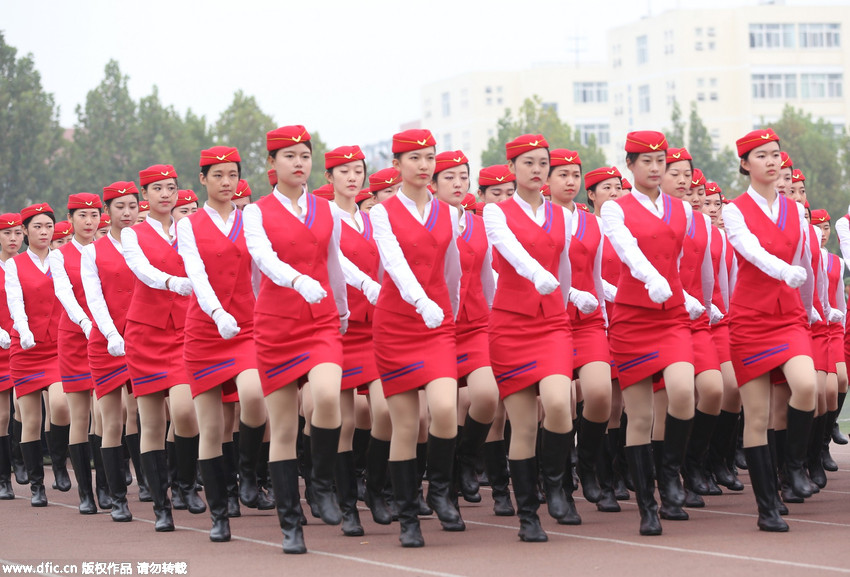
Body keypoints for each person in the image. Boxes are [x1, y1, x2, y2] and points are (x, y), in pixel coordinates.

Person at [243, 125, 349, 554]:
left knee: (326, 397)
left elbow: (335, 262)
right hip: (276, 326)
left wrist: (341, 309)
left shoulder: (327, 211)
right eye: (289, 156)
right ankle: (290, 524)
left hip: (321, 321)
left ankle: (320, 482)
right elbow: (262, 259)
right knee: (284, 427)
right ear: (272, 164)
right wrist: (295, 280)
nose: (299, 163)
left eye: (305, 155)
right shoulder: (255, 212)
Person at [483, 134, 594, 542]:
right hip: (511, 324)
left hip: (551, 323)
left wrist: (572, 292)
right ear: (512, 168)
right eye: (527, 163)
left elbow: (563, 265)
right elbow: (508, 249)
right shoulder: (496, 213)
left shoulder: (563, 215)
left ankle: (556, 483)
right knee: (524, 426)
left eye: (542, 163)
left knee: (559, 407)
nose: (536, 170)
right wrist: (535, 273)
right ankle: (527, 514)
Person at [369, 129, 463, 547]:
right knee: (407, 424)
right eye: (415, 159)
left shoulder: (449, 212)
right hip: (397, 324)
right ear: (397, 165)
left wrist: (449, 311)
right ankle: (408, 517)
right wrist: (419, 301)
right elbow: (393, 264)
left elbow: (453, 269)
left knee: (444, 409)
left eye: (429, 158)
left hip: (438, 324)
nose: (424, 166)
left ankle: (440, 490)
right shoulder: (383, 212)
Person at [600, 131, 696, 536]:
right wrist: (650, 278)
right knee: (639, 416)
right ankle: (646, 506)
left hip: (671, 315)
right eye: (647, 162)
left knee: (684, 393)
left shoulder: (682, 209)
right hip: (633, 317)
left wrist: (684, 294)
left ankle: (669, 474)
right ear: (630, 166)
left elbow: (678, 258)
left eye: (661, 161)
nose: (656, 169)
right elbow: (626, 250)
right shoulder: (614, 209)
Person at [723, 128, 817, 532]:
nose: (772, 161)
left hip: (789, 316)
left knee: (807, 387)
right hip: (750, 318)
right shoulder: (733, 209)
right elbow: (749, 250)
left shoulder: (795, 210)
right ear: (745, 164)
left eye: (776, 153)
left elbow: (804, 263)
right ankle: (766, 506)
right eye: (761, 155)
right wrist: (784, 271)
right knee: (757, 416)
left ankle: (793, 468)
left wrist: (813, 305)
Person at [177, 146, 272, 542]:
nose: (226, 182)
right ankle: (221, 512)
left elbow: (265, 263)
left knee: (254, 398)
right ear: (202, 179)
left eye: (232, 174)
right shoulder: (188, 224)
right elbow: (196, 274)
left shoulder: (250, 217)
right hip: (204, 330)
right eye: (217, 175)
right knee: (211, 429)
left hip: (247, 327)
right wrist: (218, 313)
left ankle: (248, 475)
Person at [122, 164, 206, 533]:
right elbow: (141, 270)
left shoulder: (190, 229)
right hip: (146, 334)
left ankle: (185, 483)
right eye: (158, 188)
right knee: (152, 423)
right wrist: (172, 281)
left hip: (186, 331)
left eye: (171, 187)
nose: (166, 194)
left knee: (186, 413)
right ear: (146, 196)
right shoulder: (133, 233)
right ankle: (161, 504)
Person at [323, 144, 391, 533]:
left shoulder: (374, 218)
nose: (353, 177)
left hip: (376, 327)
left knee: (385, 413)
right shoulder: (324, 216)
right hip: (338, 326)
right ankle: (347, 504)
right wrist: (366, 284)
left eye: (358, 170)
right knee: (343, 422)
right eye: (344, 170)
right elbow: (337, 260)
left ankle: (375, 488)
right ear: (329, 177)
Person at [547, 150, 615, 516]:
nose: (570, 182)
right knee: (558, 404)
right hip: (551, 319)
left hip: (589, 321)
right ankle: (558, 482)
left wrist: (603, 312)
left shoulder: (594, 223)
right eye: (562, 175)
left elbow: (600, 274)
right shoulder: (539, 219)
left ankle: (586, 465)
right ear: (548, 180)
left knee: (600, 395)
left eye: (575, 175)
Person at [431, 150, 499, 509]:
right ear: (433, 184)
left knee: (487, 396)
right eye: (449, 178)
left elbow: (487, 275)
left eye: (463, 176)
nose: (458, 184)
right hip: (435, 326)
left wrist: (492, 315)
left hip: (474, 324)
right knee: (439, 410)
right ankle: (440, 482)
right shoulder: (425, 223)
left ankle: (466, 460)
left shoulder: (476, 223)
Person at [655, 149, 722, 513]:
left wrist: (708, 306)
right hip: (662, 318)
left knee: (712, 390)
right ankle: (669, 476)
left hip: (697, 320)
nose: (683, 182)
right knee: (670, 401)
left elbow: (708, 272)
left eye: (688, 175)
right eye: (675, 173)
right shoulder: (652, 217)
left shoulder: (702, 223)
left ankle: (694, 465)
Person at [80, 183, 142, 522]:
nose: (128, 212)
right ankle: (117, 498)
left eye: (133, 205)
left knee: (153, 415)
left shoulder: (148, 244)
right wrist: (111, 334)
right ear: (109, 211)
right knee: (113, 420)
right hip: (107, 344)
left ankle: (165, 485)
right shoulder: (93, 251)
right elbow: (95, 299)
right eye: (120, 206)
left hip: (147, 340)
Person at [50, 193, 106, 517]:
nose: (89, 221)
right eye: (82, 215)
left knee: (105, 414)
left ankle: (104, 488)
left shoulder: (108, 250)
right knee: (80, 415)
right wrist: (86, 322)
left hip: (106, 339)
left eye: (94, 214)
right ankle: (85, 493)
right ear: (70, 219)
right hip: (74, 338)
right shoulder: (60, 255)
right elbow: (65, 294)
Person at [6, 203, 64, 507]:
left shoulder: (61, 260)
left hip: (57, 348)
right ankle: (37, 485)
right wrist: (23, 329)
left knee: (61, 404)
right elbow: (15, 300)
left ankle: (58, 462)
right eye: (37, 227)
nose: (44, 232)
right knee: (30, 420)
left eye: (48, 226)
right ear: (26, 231)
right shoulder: (14, 265)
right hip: (26, 348)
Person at [0, 214, 22, 500]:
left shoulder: (27, 266)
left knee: (25, 411)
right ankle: (4, 477)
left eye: (18, 233)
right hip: (0, 346)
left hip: (25, 344)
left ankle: (24, 463)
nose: (14, 238)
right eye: (7, 234)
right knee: (3, 414)